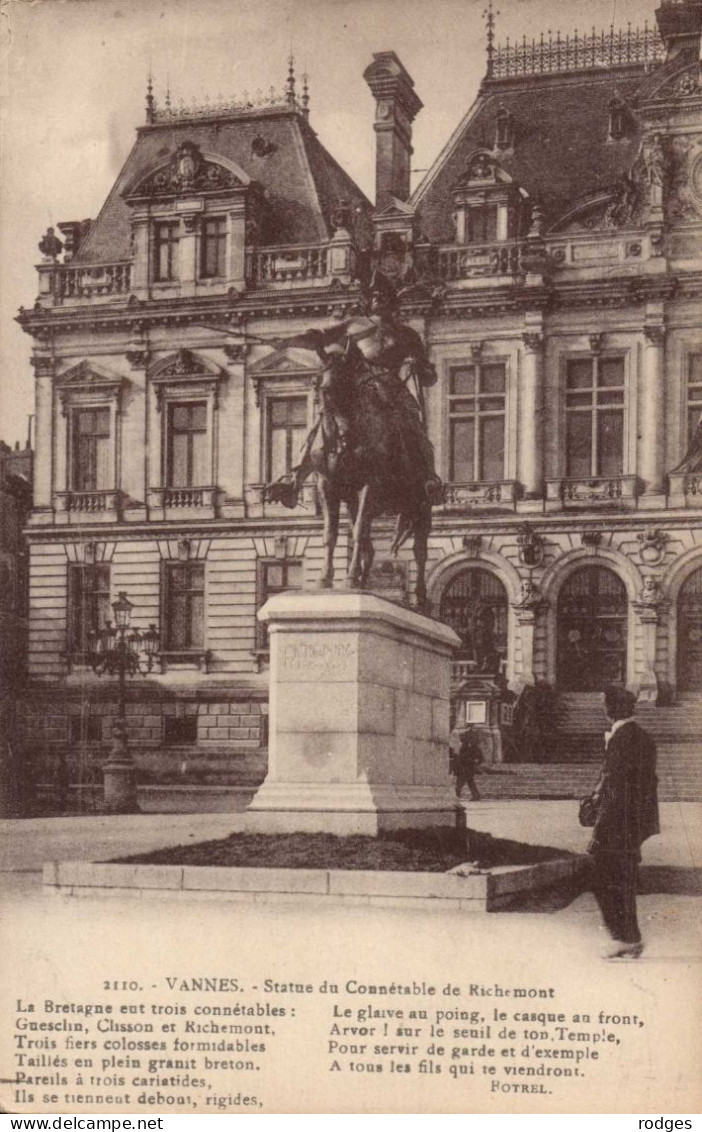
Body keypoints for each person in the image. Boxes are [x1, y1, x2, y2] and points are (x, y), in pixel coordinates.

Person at [587, 685, 660, 960]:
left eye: (604, 704)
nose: (602, 709)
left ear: (612, 708)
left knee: (603, 877)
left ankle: (624, 937)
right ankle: (629, 937)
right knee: (621, 879)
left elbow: (617, 788)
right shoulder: (638, 736)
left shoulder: (623, 738)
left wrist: (600, 828)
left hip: (619, 822)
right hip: (633, 823)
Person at [449, 725, 484, 801]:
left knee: (461, 781)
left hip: (466, 766)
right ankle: (476, 795)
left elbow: (477, 757)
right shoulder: (469, 746)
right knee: (469, 780)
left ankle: (457, 795)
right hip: (467, 765)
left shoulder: (469, 746)